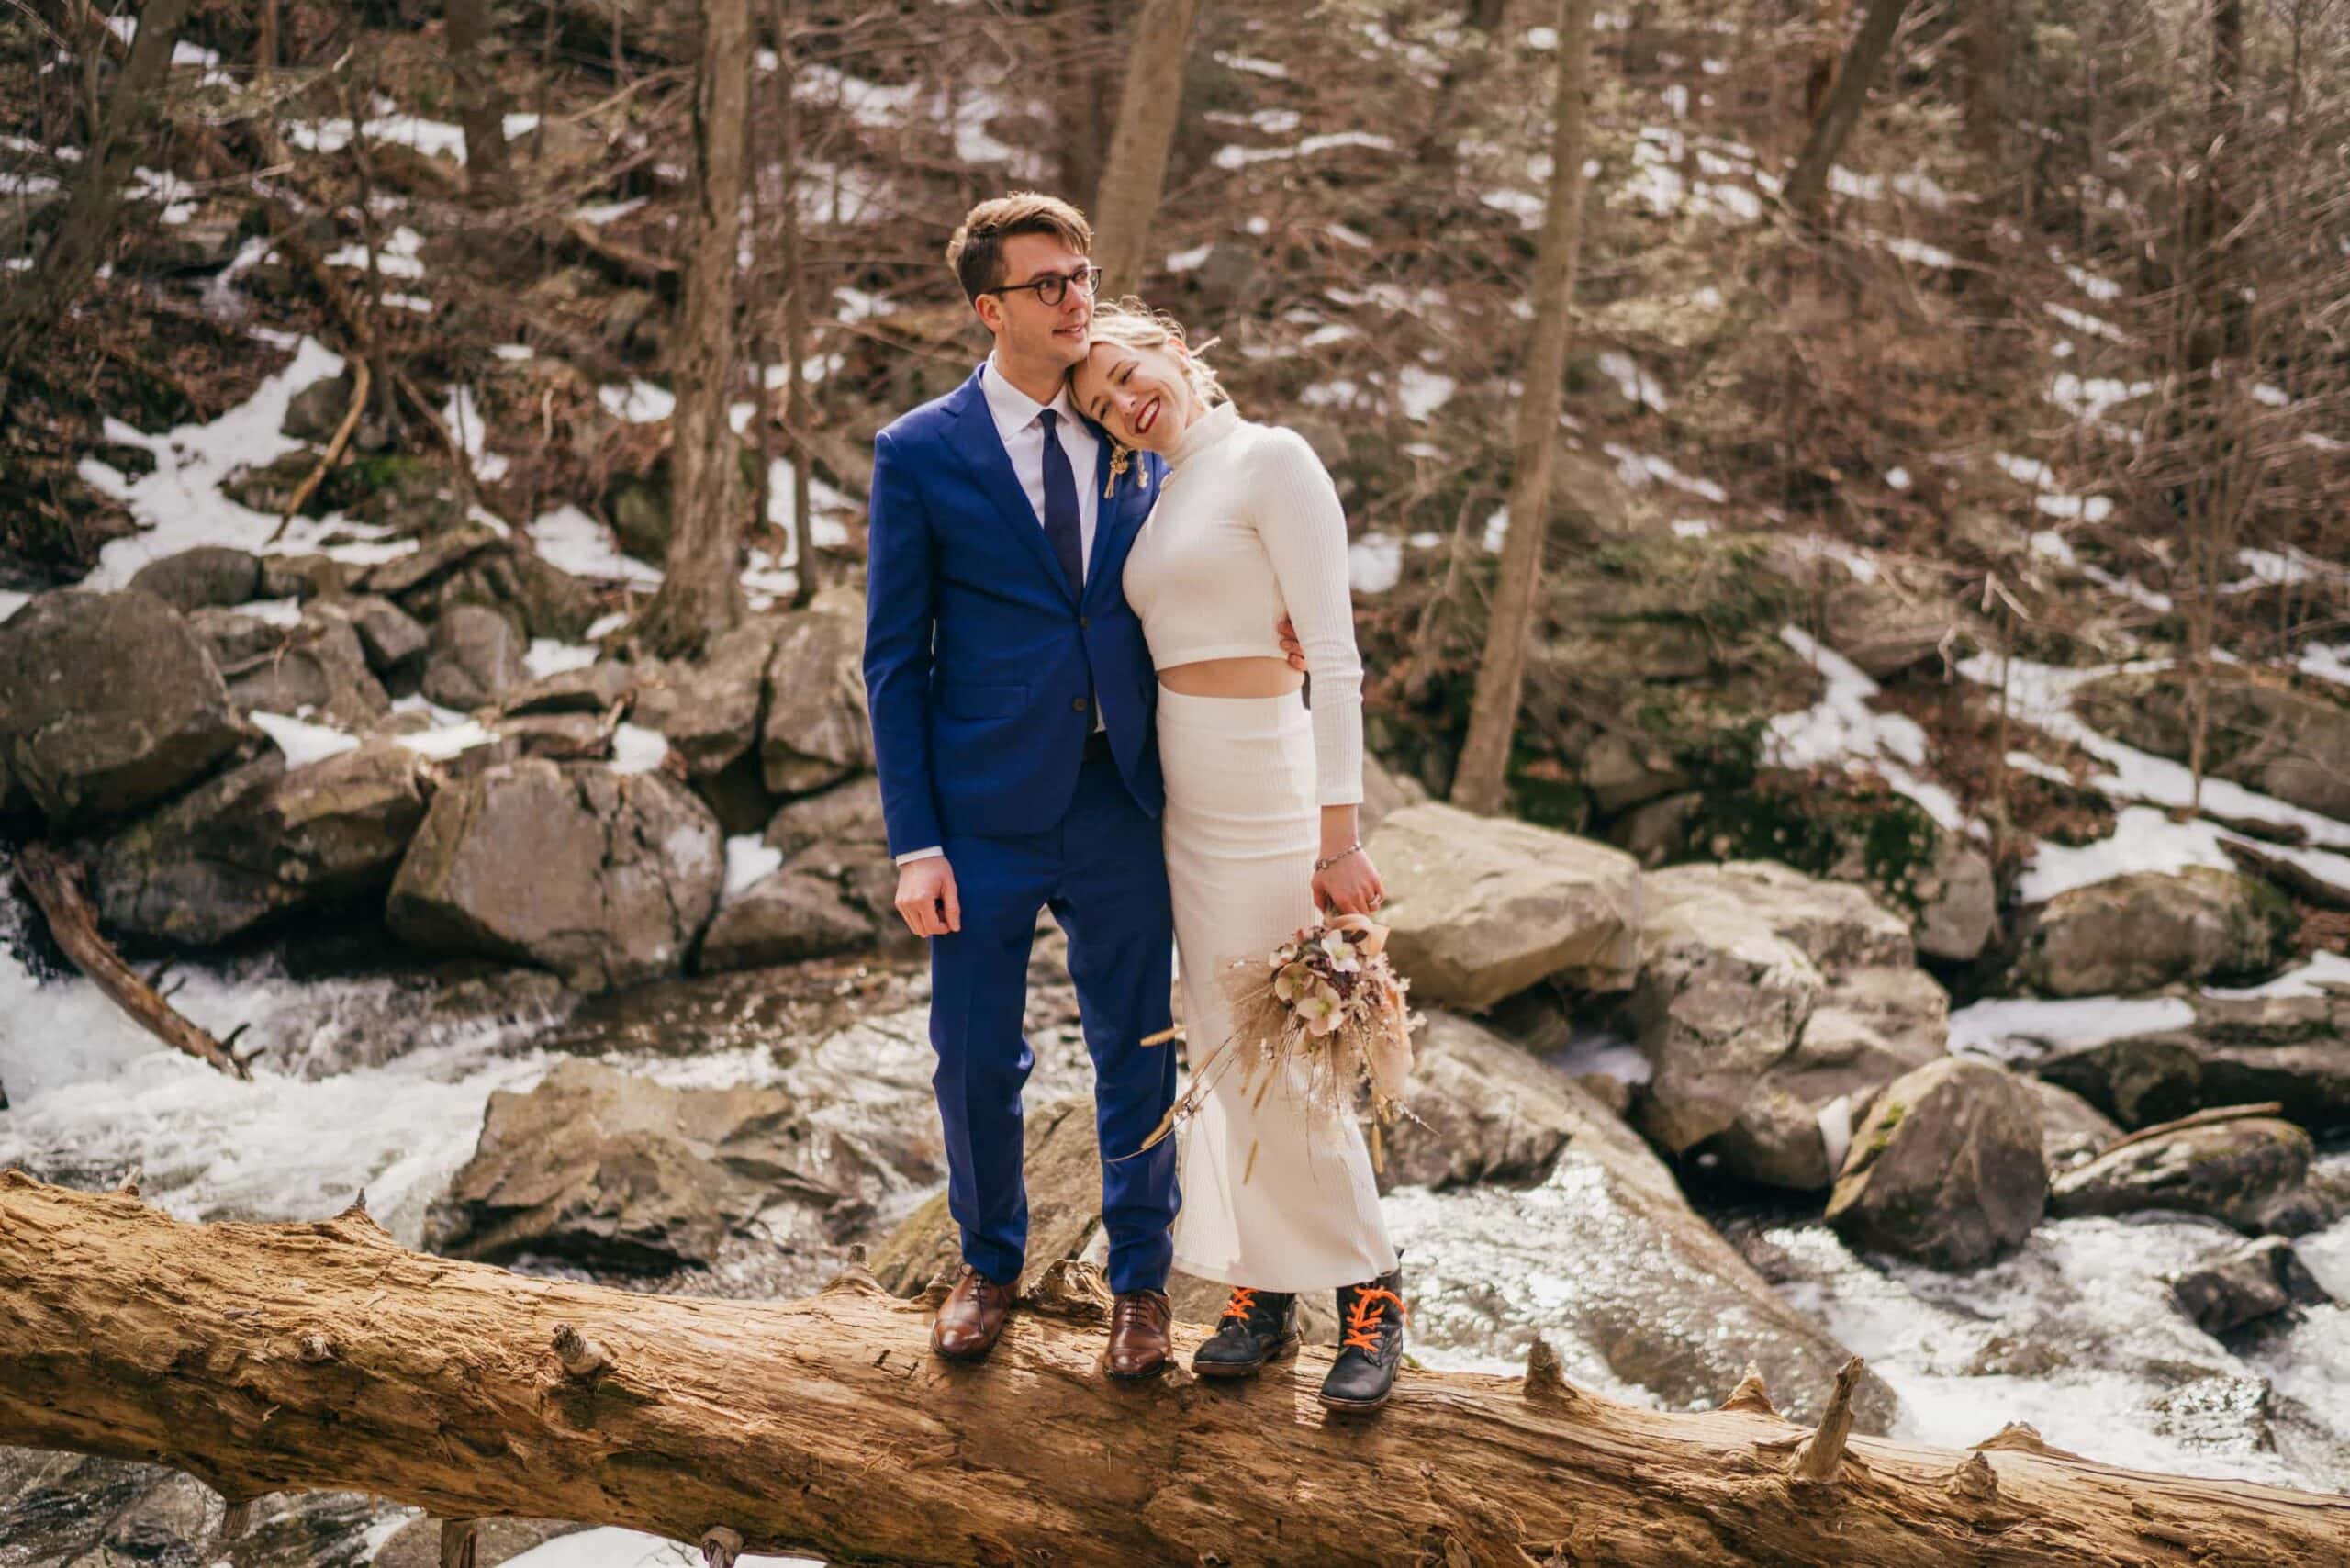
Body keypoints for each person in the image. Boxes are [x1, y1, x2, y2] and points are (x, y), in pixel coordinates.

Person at [862, 195, 1304, 1381]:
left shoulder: (1130, 430)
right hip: (982, 810)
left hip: (1124, 796)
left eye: (1083, 275)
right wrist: (917, 843)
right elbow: (895, 661)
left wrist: (1280, 618)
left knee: (1137, 1047)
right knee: (972, 1054)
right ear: (988, 308)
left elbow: (1232, 497)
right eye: (1048, 283)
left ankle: (1142, 1290)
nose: (1075, 298)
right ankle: (988, 1264)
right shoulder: (918, 454)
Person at [1069, 297, 1407, 1412]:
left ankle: (1368, 1292)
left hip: (1268, 780)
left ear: (1175, 346)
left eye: (1128, 369)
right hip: (1182, 792)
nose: (1124, 399)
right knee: (1218, 1043)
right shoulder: (1152, 496)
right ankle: (1260, 1289)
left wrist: (1337, 830)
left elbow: (1338, 659)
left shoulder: (1273, 459)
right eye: (1101, 398)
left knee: (1292, 1043)